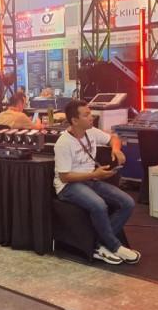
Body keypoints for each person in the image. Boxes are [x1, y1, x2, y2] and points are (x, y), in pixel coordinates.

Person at [54, 99, 139, 265]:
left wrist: (116, 149)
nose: (91, 117)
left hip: (90, 180)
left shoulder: (91, 132)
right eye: (86, 115)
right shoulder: (63, 143)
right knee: (99, 205)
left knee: (127, 203)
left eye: (90, 113)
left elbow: (113, 138)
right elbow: (65, 177)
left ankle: (99, 245)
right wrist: (94, 174)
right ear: (74, 120)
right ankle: (114, 246)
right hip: (68, 186)